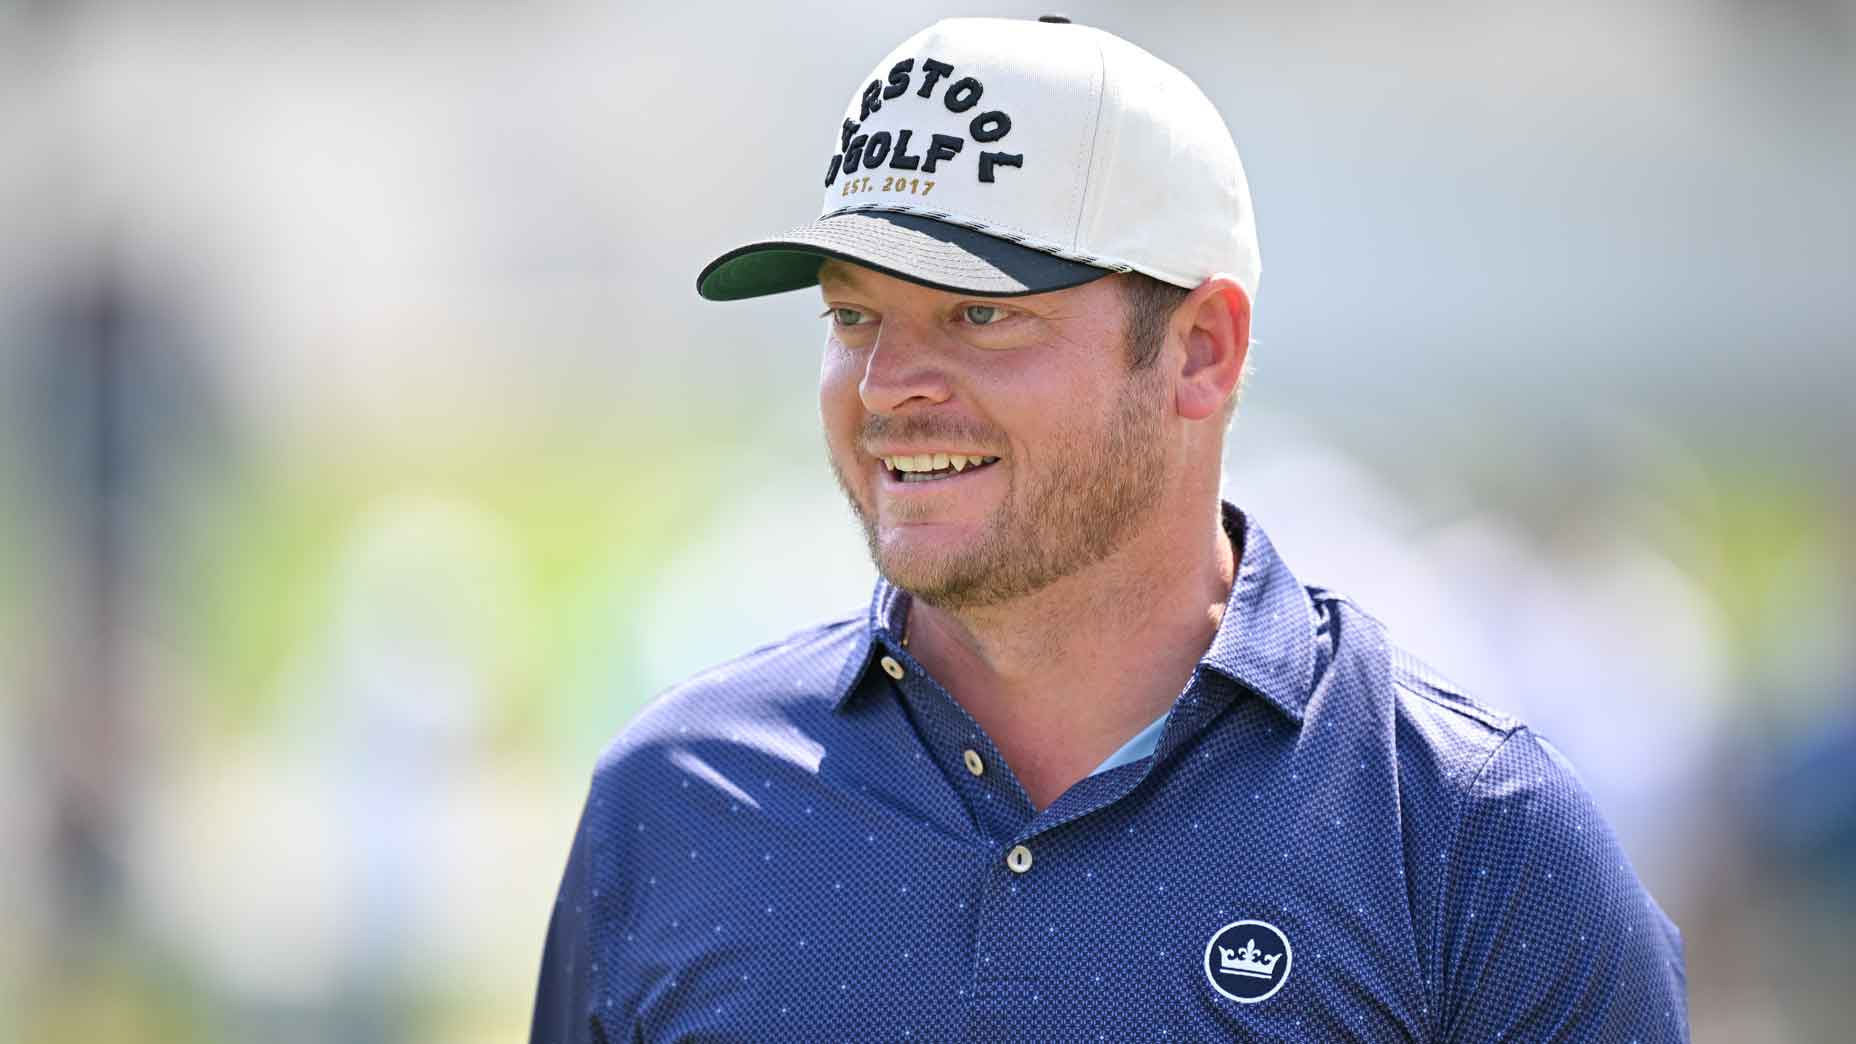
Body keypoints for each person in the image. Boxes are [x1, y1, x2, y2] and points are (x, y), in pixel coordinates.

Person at [530, 15, 1688, 1042]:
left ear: (1200, 352)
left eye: (979, 313)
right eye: (852, 314)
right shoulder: (675, 796)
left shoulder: (1468, 839)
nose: (886, 385)